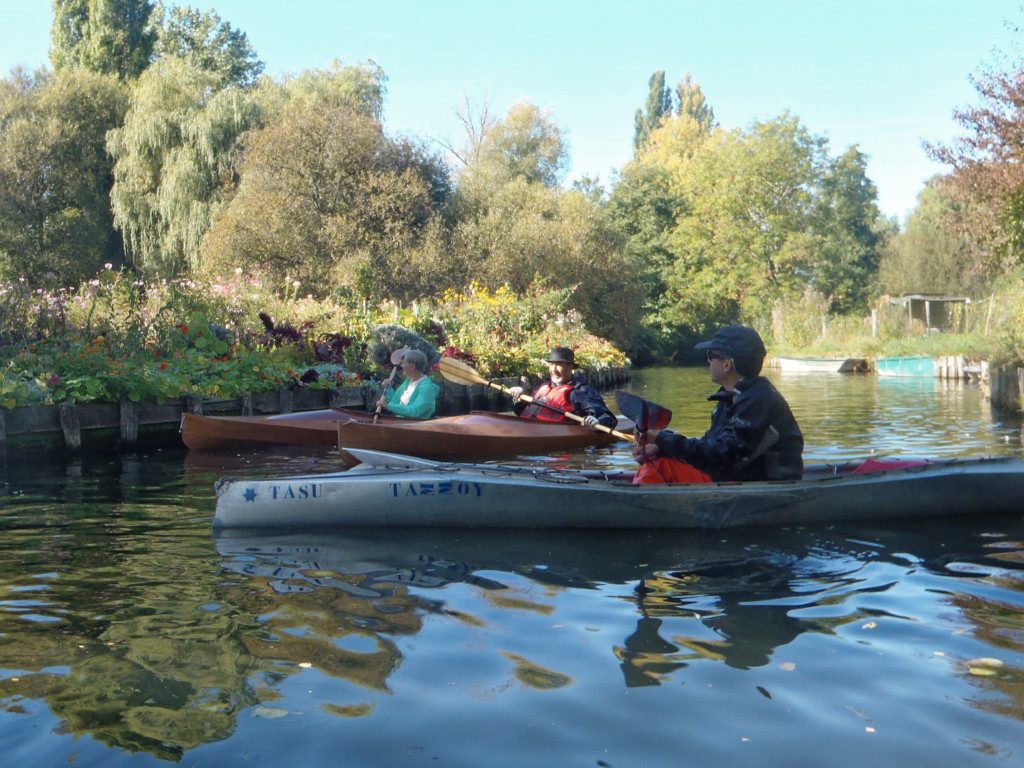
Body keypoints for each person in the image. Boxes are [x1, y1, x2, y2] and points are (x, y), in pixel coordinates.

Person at [638, 325, 803, 482]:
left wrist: (663, 438)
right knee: (658, 460)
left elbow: (721, 456)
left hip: (763, 486)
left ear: (727, 364)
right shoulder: (733, 397)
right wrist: (664, 449)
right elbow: (712, 448)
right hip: (737, 479)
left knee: (661, 467)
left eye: (711, 356)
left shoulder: (758, 401)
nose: (708, 362)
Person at [507, 346, 617, 430]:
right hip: (528, 428)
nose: (554, 369)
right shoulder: (543, 387)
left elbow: (609, 418)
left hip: (553, 434)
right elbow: (520, 412)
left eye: (559, 364)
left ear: (570, 367)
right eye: (551, 364)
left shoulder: (580, 392)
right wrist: (519, 399)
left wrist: (597, 421)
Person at [375, 349, 440, 419]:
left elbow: (415, 411)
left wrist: (388, 406)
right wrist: (388, 389)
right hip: (400, 423)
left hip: (414, 427)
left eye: (404, 363)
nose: (401, 365)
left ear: (412, 367)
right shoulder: (408, 381)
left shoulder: (427, 389)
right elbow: (395, 403)